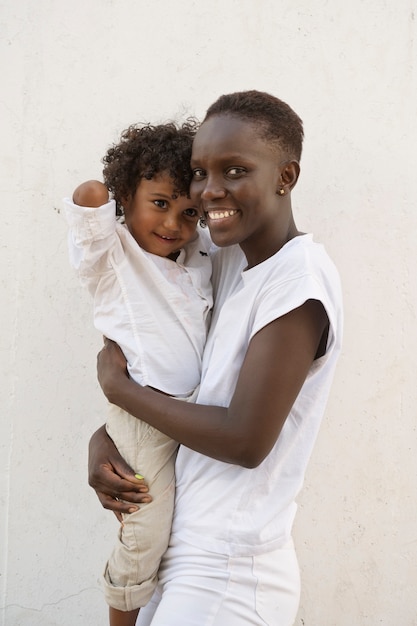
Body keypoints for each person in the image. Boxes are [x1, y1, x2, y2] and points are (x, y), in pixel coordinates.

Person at [88, 90, 343, 626]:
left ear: (285, 176)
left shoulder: (298, 282)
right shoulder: (222, 262)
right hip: (185, 554)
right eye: (200, 172)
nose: (208, 191)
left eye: (233, 170)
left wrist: (122, 391)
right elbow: (176, 373)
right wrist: (106, 438)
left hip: (229, 573)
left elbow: (244, 439)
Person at [64, 121, 213, 626]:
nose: (174, 222)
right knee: (145, 528)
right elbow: (89, 214)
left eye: (189, 211)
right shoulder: (115, 258)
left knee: (173, 528)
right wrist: (99, 199)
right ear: (127, 198)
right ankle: (121, 618)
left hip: (190, 414)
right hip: (145, 413)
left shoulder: (195, 261)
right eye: (159, 203)